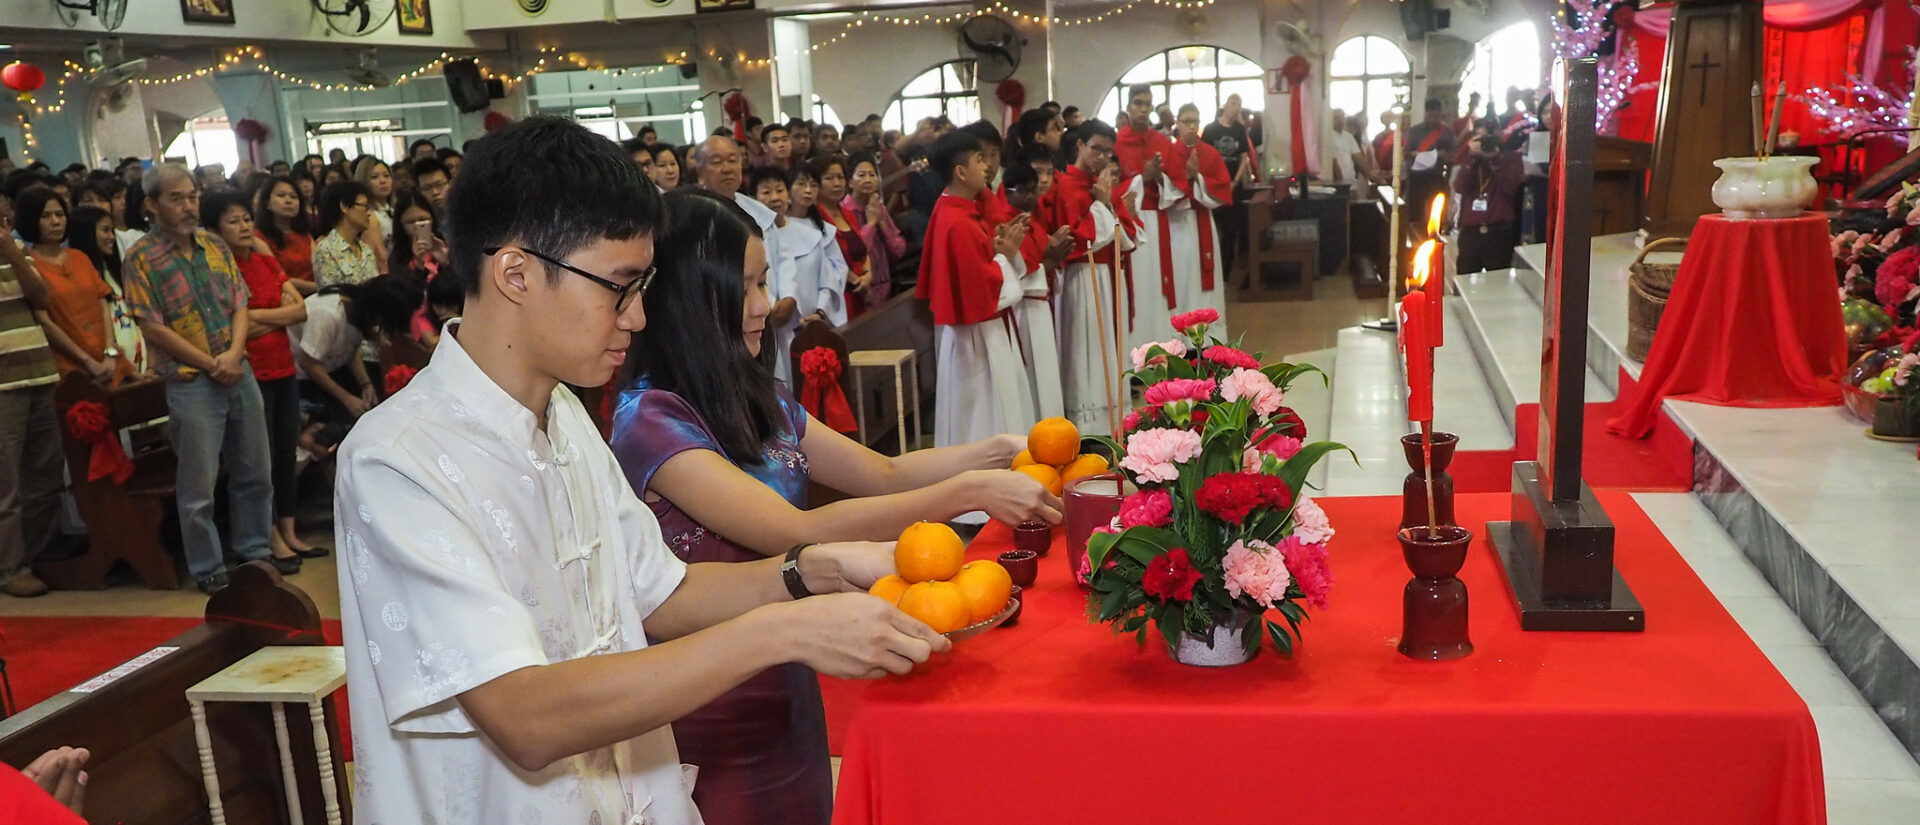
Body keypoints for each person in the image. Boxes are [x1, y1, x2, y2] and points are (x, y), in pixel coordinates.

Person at [335, 115, 946, 825]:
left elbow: (663, 592)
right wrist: (787, 630)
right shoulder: (397, 460)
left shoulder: (564, 415)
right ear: (516, 272)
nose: (638, 316)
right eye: (619, 287)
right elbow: (524, 713)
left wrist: (805, 571)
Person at [609, 188, 1053, 825]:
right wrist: (968, 494)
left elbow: (885, 472)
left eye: (765, 283)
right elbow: (795, 532)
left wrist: (998, 450)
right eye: (748, 288)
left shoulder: (757, 394)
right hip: (713, 699)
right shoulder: (653, 419)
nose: (765, 307)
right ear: (691, 295)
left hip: (790, 668)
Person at [121, 164, 288, 593]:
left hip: (238, 369)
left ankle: (255, 554)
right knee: (199, 485)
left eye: (192, 196)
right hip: (190, 380)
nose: (188, 205)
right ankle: (208, 566)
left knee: (256, 470)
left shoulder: (214, 245)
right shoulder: (141, 258)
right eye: (176, 198)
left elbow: (239, 305)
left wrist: (232, 355)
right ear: (151, 205)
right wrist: (211, 362)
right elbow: (153, 327)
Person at [201, 189, 317, 567]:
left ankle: (288, 530)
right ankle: (266, 539)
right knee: (258, 461)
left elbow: (299, 312)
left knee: (285, 454)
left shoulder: (266, 263)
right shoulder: (220, 270)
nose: (244, 226)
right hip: (253, 372)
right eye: (233, 221)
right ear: (216, 230)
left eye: (246, 219)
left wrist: (257, 317)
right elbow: (236, 323)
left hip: (284, 367)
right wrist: (264, 316)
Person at [917, 130, 1037, 455]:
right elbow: (985, 292)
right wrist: (1006, 255)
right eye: (979, 160)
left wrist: (999, 250)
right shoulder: (958, 223)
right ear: (960, 171)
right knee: (983, 415)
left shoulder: (957, 210)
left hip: (974, 332)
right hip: (978, 337)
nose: (987, 167)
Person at [1048, 121, 1128, 435]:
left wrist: (1105, 200)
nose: (1101, 157)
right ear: (1079, 145)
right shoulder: (1068, 184)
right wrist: (1100, 202)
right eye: (1096, 149)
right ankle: (1086, 422)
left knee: (1103, 344)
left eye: (1108, 153)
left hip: (1104, 274)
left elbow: (1121, 230)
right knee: (1085, 346)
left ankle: (1108, 416)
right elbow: (1077, 236)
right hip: (1081, 275)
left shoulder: (1096, 185)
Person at [0, 199, 63, 598]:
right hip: (2, 384)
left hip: (38, 370)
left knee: (47, 475)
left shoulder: (18, 248)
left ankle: (35, 554)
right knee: (8, 485)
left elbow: (41, 298)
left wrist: (10, 250)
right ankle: (11, 569)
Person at [18, 189, 132, 385]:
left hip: (109, 359)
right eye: (45, 216)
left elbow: (103, 305)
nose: (55, 221)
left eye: (60, 214)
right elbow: (45, 322)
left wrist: (110, 352)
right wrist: (87, 361)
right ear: (30, 219)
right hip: (69, 367)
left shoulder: (79, 257)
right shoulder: (28, 264)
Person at [999, 160, 1070, 420]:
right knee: (1034, 375)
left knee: (1046, 374)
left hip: (1040, 305)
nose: (1030, 196)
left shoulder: (1031, 222)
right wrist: (1050, 261)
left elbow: (1044, 250)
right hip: (1024, 309)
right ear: (1007, 191)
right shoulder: (1007, 224)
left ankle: (1051, 425)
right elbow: (1017, 270)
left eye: (1033, 190)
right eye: (1023, 190)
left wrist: (1056, 248)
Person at [1115, 85, 1177, 353]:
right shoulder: (1116, 144)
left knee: (1157, 290)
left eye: (1147, 104)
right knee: (1138, 289)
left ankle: (1161, 350)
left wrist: (1161, 177)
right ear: (1128, 107)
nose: (1143, 108)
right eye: (1138, 103)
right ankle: (1136, 353)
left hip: (1158, 219)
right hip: (1131, 222)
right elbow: (1112, 188)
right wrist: (1143, 177)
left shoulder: (1163, 142)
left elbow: (1176, 183)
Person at [1450, 129, 1526, 273]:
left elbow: (1509, 188)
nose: (1485, 144)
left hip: (1498, 233)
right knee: (1464, 280)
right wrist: (1472, 157)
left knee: (1498, 282)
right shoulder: (1473, 161)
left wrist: (1494, 159)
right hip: (1470, 233)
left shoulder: (1512, 159)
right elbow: (1460, 186)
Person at [1202, 94, 1255, 281]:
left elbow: (1243, 158)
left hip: (1234, 187)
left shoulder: (1239, 130)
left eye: (1239, 104)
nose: (1236, 107)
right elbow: (1204, 158)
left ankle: (1226, 270)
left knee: (1231, 229)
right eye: (1233, 103)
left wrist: (1235, 180)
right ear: (1225, 106)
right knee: (1215, 228)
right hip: (1215, 186)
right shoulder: (1210, 130)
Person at [312, 182, 379, 290]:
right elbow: (331, 295)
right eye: (365, 207)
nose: (369, 213)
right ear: (345, 207)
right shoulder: (326, 250)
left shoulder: (366, 250)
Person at [255, 175, 316, 293]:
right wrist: (318, 287)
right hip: (285, 298)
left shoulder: (305, 235)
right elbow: (278, 277)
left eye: (294, 196)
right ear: (267, 203)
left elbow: (320, 268)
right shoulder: (259, 238)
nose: (288, 201)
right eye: (281, 195)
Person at [353, 156, 395, 273]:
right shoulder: (368, 216)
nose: (383, 181)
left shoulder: (393, 210)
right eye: (374, 177)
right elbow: (378, 257)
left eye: (386, 176)